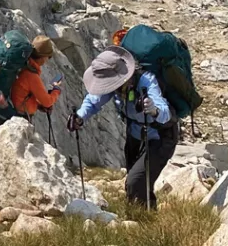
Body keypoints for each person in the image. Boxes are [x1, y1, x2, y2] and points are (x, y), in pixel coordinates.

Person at [67, 46, 177, 208]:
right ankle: (147, 219)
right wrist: (80, 117)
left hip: (160, 137)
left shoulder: (147, 81)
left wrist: (153, 109)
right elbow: (93, 101)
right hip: (135, 136)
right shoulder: (115, 87)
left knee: (135, 182)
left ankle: (141, 221)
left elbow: (165, 112)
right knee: (137, 182)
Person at [10, 36, 62, 119]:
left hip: (13, 110)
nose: (47, 60)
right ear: (42, 57)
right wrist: (56, 89)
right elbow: (47, 102)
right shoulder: (31, 75)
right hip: (20, 116)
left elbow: (22, 93)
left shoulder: (24, 65)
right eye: (48, 57)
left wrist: (37, 105)